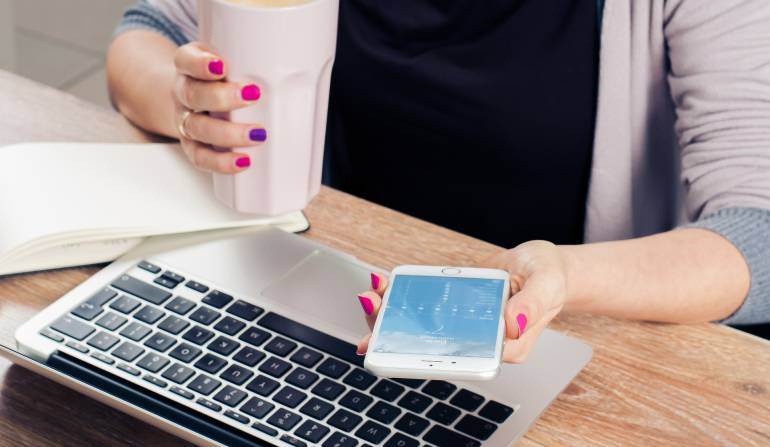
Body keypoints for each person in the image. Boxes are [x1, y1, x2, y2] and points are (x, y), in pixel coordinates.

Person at [107, 0, 770, 359]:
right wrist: (190, 104)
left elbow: (756, 231)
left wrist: (565, 277)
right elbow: (146, 35)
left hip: (568, 341)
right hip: (324, 296)